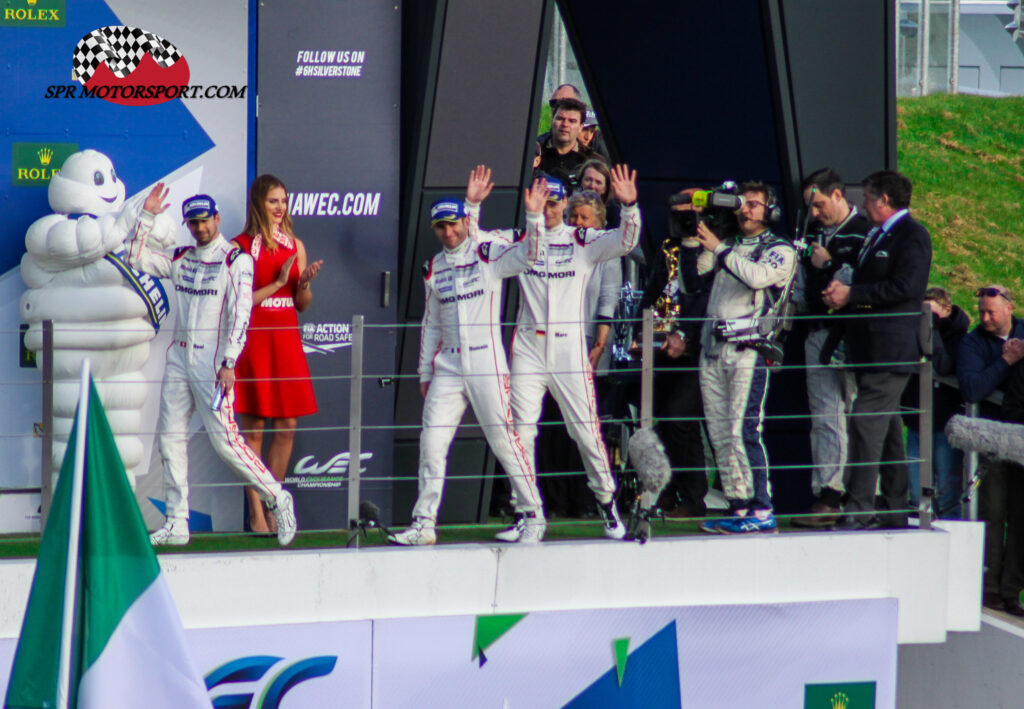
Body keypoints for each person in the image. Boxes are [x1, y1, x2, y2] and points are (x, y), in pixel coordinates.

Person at [469, 167, 642, 539]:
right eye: (541, 201)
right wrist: (472, 205)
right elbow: (473, 240)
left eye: (554, 202)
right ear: (531, 201)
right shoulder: (518, 238)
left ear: (565, 203)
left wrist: (629, 206)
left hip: (568, 348)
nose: (548, 209)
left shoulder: (582, 239)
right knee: (521, 432)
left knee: (586, 432)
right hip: (528, 347)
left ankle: (607, 504)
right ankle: (528, 513)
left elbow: (625, 242)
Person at [126, 190, 296, 547]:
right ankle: (177, 521)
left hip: (214, 363)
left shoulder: (236, 260)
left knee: (226, 443)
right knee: (169, 439)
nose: (200, 227)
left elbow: (242, 313)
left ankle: (277, 498)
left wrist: (230, 361)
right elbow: (135, 257)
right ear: (188, 225)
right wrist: (147, 216)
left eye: (205, 220)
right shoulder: (181, 257)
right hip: (179, 358)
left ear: (217, 219)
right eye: (194, 222)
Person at [388, 173, 549, 546]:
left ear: (465, 222)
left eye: (453, 224)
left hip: (487, 364)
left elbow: (529, 255)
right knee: (431, 444)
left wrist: (534, 218)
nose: (447, 233)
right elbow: (430, 325)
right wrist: (424, 370)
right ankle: (424, 524)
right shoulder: (434, 267)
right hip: (448, 367)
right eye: (440, 227)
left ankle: (533, 515)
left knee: (505, 441)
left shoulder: (487, 253)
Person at [822, 169, 932, 530]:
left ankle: (858, 507)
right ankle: (896, 508)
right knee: (885, 429)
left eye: (868, 198)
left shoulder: (912, 235)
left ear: (884, 200)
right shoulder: (878, 233)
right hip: (870, 347)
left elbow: (907, 287)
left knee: (865, 421)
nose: (863, 205)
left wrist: (853, 295)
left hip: (892, 349)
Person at [687, 182, 797, 534]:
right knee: (719, 433)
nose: (746, 209)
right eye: (743, 203)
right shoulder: (729, 244)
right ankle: (739, 507)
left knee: (742, 430)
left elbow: (758, 277)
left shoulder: (780, 248)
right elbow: (693, 280)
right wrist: (694, 231)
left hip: (749, 349)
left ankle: (762, 510)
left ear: (771, 211)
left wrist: (719, 248)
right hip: (713, 349)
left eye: (754, 204)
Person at [232, 175, 322, 535]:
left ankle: (274, 506)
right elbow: (238, 303)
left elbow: (302, 305)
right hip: (254, 338)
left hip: (286, 337)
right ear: (258, 203)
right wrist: (277, 280)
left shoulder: (295, 244)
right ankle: (256, 515)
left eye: (283, 200)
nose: (280, 206)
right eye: (273, 201)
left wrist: (303, 284)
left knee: (287, 426)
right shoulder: (239, 246)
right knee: (253, 430)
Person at [790, 168, 870, 528]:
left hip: (855, 334)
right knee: (824, 415)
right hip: (817, 331)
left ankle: (863, 492)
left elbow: (870, 281)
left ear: (838, 195)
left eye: (819, 204)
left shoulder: (865, 232)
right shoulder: (811, 233)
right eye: (810, 207)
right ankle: (828, 493)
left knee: (857, 413)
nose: (816, 212)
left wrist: (831, 264)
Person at [644, 188, 712, 518]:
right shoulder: (668, 246)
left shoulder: (714, 246)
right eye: (678, 216)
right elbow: (654, 288)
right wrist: (639, 329)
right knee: (667, 422)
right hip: (660, 343)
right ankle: (672, 493)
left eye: (691, 215)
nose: (685, 221)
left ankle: (694, 497)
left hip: (697, 350)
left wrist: (686, 335)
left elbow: (705, 300)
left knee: (678, 418)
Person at [956, 284, 1024, 613]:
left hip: (1019, 435)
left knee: (1019, 516)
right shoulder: (973, 342)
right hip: (992, 440)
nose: (984, 318)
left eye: (991, 312)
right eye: (981, 311)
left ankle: (1012, 590)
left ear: (1009, 308)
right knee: (994, 514)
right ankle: (991, 586)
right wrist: (1007, 361)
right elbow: (972, 389)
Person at [902, 286, 968, 518]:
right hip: (916, 422)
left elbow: (943, 366)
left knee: (948, 491)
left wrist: (933, 331)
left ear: (947, 309)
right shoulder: (911, 331)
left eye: (931, 312)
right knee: (916, 490)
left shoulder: (961, 338)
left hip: (945, 424)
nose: (925, 318)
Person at [537, 98, 592, 191]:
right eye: (560, 119)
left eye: (572, 121)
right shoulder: (534, 153)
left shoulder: (591, 160)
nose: (565, 124)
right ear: (552, 121)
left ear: (581, 127)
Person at [579, 158, 620, 228]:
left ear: (605, 188)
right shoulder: (568, 205)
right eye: (588, 180)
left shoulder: (613, 211)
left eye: (598, 182)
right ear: (581, 181)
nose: (592, 186)